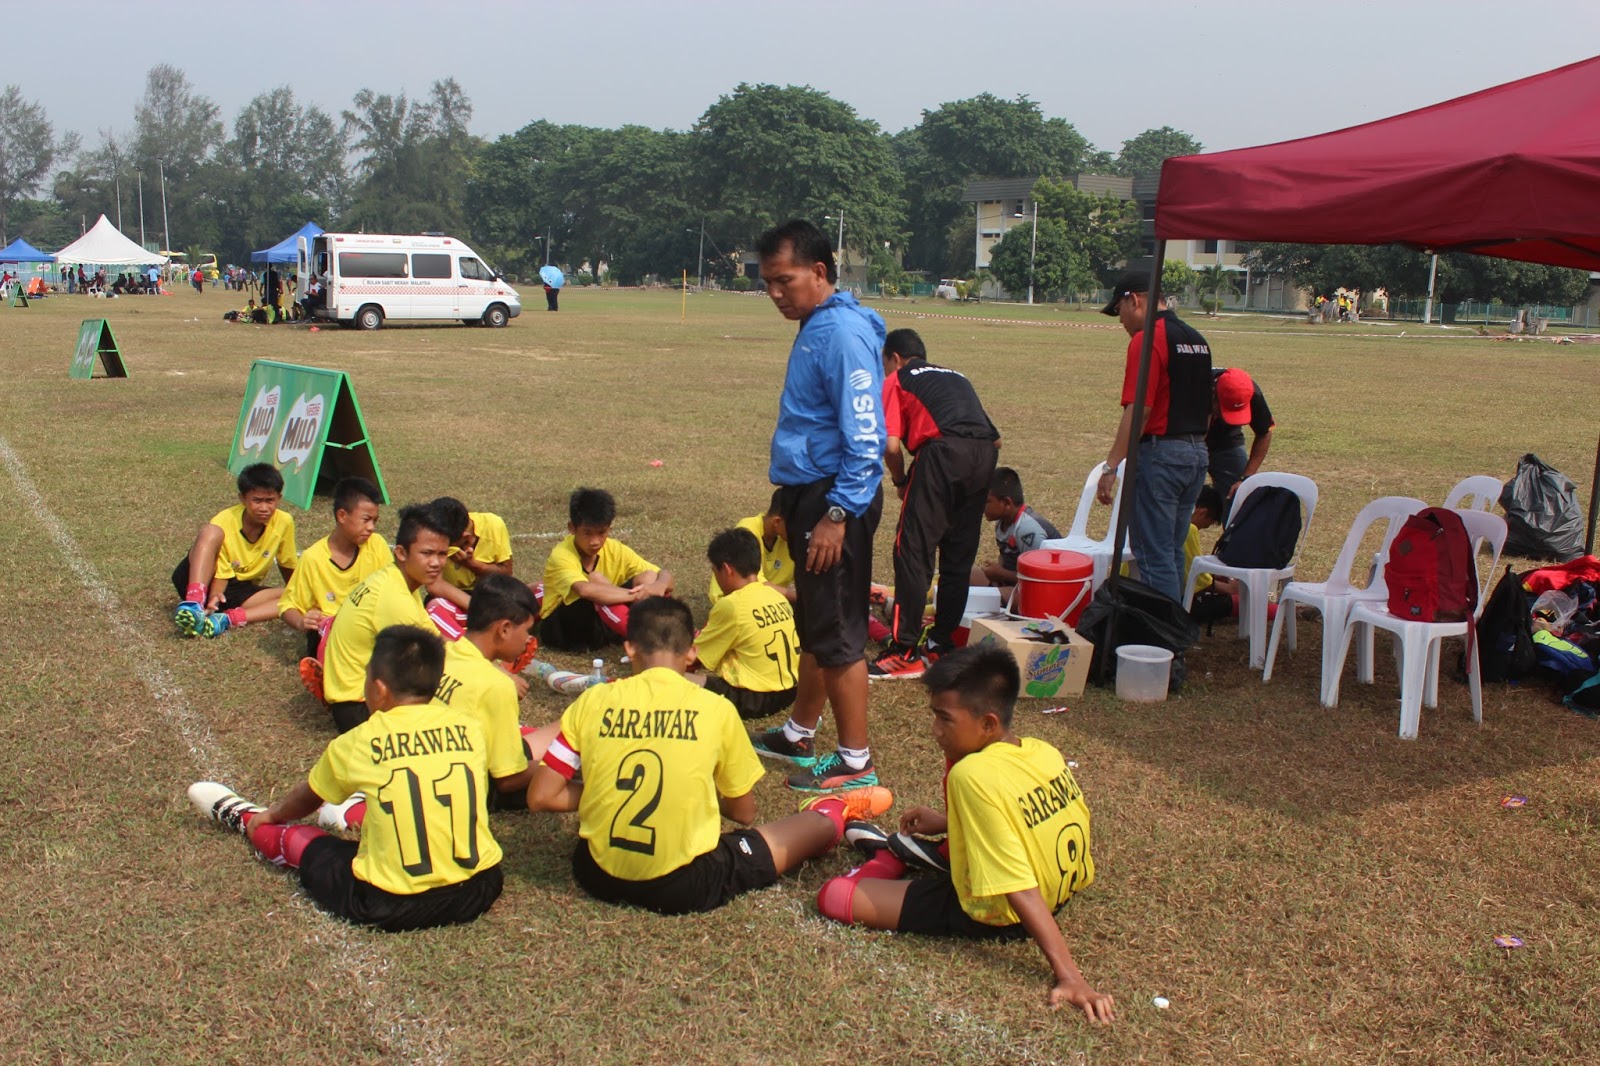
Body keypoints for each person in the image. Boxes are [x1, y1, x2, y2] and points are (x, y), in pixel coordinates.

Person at [528, 597, 892, 915]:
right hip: (684, 885)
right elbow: (744, 813)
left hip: (596, 875)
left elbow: (541, 796)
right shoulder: (715, 709)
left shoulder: (594, 700)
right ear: (691, 652)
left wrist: (605, 790)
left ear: (630, 649)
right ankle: (832, 809)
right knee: (808, 828)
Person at [815, 646, 1114, 1023]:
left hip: (1001, 912)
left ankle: (879, 848)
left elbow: (1018, 888)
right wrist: (944, 821)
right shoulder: (1041, 750)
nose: (935, 730)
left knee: (835, 896)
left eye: (945, 719)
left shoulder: (970, 775)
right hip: (1061, 890)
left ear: (988, 723)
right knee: (933, 848)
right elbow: (1016, 816)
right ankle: (900, 848)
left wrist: (1070, 976)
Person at [187, 625, 504, 932]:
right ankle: (347, 812)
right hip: (480, 888)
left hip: (391, 903)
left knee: (316, 850)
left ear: (378, 689)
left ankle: (245, 817)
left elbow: (308, 797)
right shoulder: (470, 728)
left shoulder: (360, 740)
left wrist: (270, 815)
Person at [749, 219, 886, 793]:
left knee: (838, 634)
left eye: (785, 281)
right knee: (815, 622)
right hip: (812, 494)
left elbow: (866, 437)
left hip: (837, 499)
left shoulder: (842, 335)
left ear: (820, 272)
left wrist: (836, 515)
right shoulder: (816, 323)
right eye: (767, 284)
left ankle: (856, 763)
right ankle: (800, 730)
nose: (776, 294)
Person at [872, 328, 1000, 680]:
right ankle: (941, 645)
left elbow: (891, 446)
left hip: (943, 454)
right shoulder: (956, 376)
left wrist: (900, 482)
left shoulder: (898, 379)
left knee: (912, 549)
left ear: (895, 358)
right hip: (984, 454)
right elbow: (996, 437)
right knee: (958, 557)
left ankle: (904, 651)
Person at [1095, 270, 1213, 602]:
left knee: (1152, 556)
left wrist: (1111, 465)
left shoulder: (1146, 340)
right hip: (1196, 452)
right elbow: (1207, 408)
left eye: (1118, 310)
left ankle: (1161, 647)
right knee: (1172, 552)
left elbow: (1140, 410)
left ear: (1134, 300)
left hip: (1161, 455)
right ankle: (1174, 639)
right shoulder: (1196, 339)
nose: (1120, 321)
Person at [321, 503, 448, 733]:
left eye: (442, 554)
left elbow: (437, 638)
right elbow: (438, 658)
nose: (436, 563)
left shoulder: (395, 579)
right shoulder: (393, 596)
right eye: (427, 553)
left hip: (356, 695)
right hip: (360, 707)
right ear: (400, 553)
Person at [278, 477, 391, 692]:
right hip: (330, 631)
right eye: (366, 519)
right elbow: (287, 605)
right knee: (331, 635)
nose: (371, 528)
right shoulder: (313, 558)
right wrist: (303, 622)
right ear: (342, 515)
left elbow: (391, 589)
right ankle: (329, 681)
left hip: (369, 627)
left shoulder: (377, 546)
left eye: (375, 521)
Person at [538, 487, 674, 652]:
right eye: (587, 533)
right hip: (564, 630)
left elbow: (664, 575)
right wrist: (638, 595)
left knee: (648, 576)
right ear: (572, 528)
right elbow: (584, 590)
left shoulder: (614, 549)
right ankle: (647, 639)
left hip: (599, 622)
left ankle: (655, 634)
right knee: (596, 580)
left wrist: (657, 586)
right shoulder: (561, 555)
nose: (595, 541)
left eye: (602, 533)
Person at [172, 463, 298, 639]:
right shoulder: (224, 520)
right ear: (242, 498)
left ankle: (227, 619)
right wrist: (214, 595)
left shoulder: (284, 522)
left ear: (279, 498)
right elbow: (221, 572)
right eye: (257, 500)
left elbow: (288, 563)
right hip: (205, 576)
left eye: (270, 501)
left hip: (236, 590)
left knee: (297, 597)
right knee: (211, 531)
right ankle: (194, 602)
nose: (264, 508)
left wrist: (298, 591)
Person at [691, 527, 801, 720]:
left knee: (669, 676)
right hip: (791, 692)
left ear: (726, 569)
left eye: (715, 571)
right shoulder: (776, 595)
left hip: (755, 699)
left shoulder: (732, 605)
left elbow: (693, 659)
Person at [972, 467, 1061, 594]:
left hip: (1042, 590)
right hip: (1016, 583)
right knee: (966, 575)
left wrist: (1001, 574)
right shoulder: (1001, 522)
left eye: (986, 501)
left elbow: (1041, 579)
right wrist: (998, 572)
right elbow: (1005, 557)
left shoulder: (1027, 530)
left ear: (1007, 503)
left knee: (996, 595)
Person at [1205, 367, 1275, 513]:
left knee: (1240, 497)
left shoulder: (1251, 393)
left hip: (1226, 441)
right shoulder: (1194, 386)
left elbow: (1264, 433)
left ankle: (1233, 534)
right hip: (1187, 440)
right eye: (1224, 409)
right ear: (1213, 394)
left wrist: (1246, 478)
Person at [707, 491, 795, 605]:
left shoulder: (791, 539)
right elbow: (751, 584)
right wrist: (795, 596)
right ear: (777, 522)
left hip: (772, 602)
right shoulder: (746, 532)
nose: (802, 531)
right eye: (797, 526)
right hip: (738, 602)